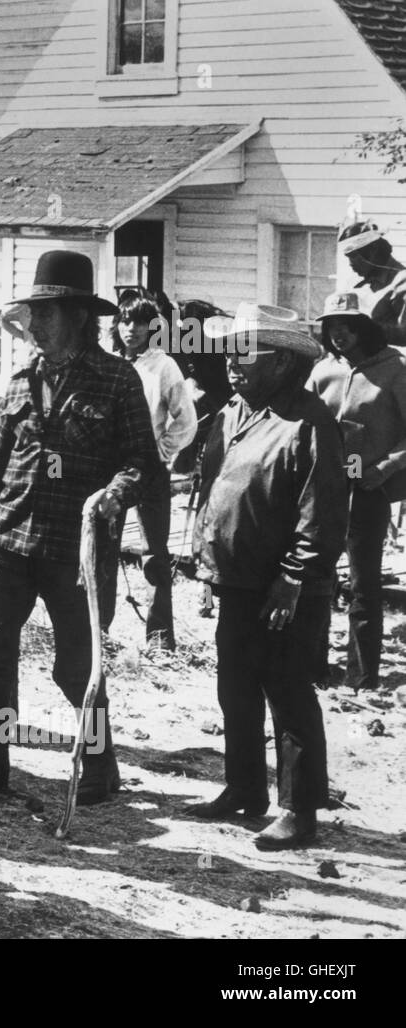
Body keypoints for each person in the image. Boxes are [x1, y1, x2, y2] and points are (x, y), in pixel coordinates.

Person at [0, 251, 159, 805]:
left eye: (45, 314)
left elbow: (142, 462)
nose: (34, 326)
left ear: (78, 316)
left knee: (78, 667)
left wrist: (112, 495)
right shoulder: (22, 380)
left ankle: (99, 766)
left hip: (74, 550)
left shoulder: (117, 379)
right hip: (6, 541)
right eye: (32, 314)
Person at [188, 303, 347, 850]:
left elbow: (321, 512)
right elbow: (212, 489)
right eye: (230, 352)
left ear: (280, 362)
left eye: (246, 353)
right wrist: (204, 560)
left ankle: (300, 810)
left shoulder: (310, 421)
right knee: (235, 687)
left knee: (287, 691)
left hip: (284, 587)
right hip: (234, 579)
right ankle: (244, 787)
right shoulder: (231, 412)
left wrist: (293, 577)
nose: (233, 364)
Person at [308, 291, 406, 692]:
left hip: (368, 489)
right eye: (332, 327)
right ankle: (314, 668)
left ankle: (361, 677)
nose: (338, 334)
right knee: (316, 577)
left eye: (346, 326)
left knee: (362, 583)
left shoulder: (396, 369)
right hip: (322, 487)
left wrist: (383, 469)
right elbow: (303, 425)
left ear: (363, 328)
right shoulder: (321, 371)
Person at [99, 291, 197, 650]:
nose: (131, 329)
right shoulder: (107, 362)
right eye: (125, 321)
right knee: (104, 550)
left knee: (154, 552)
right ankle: (100, 632)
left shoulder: (163, 366)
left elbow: (186, 420)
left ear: (153, 327)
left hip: (150, 470)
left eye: (140, 322)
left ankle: (159, 637)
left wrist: (161, 452)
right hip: (112, 470)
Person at [339, 219, 406, 348]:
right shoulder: (356, 282)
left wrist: (366, 329)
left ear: (373, 251)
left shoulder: (401, 283)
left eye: (354, 256)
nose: (350, 264)